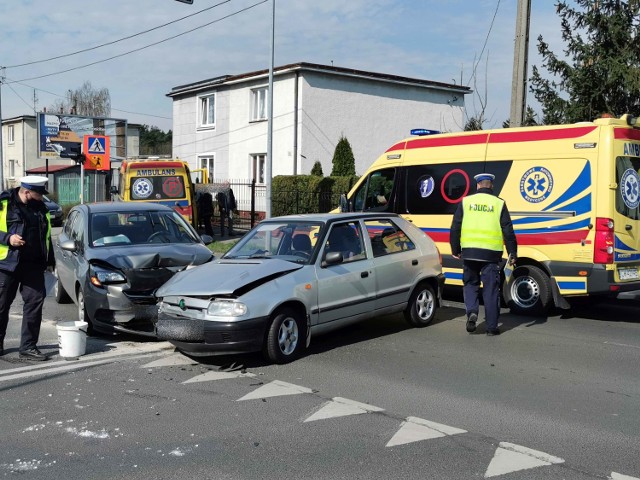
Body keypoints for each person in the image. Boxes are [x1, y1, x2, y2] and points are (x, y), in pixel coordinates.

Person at [449, 173, 517, 336]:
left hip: (469, 253)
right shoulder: (499, 203)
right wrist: (512, 252)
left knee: (470, 284)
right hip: (491, 255)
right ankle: (492, 327)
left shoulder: (466, 202)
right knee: (491, 290)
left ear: (478, 185)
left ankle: (472, 312)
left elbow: (455, 227)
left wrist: (455, 249)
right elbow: (508, 230)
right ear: (491, 186)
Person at [0, 176, 55, 360]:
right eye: (38, 194)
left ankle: (28, 346)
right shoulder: (4, 203)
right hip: (7, 264)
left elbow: (46, 236)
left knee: (34, 303)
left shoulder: (41, 208)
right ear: (26, 192)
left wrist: (50, 261)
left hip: (33, 264)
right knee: (2, 305)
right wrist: (9, 239)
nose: (41, 198)